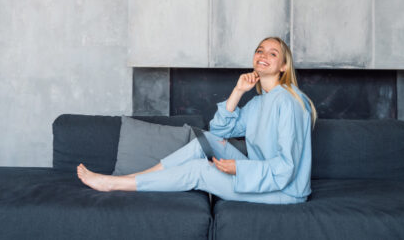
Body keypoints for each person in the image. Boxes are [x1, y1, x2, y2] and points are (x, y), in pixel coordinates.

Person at [77, 37, 317, 204]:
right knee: (207, 141)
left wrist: (240, 168)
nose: (263, 55)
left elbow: (287, 166)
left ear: (284, 66)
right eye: (259, 50)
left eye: (272, 53)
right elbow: (219, 130)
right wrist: (238, 91)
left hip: (285, 191)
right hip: (261, 176)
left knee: (199, 171)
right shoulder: (258, 102)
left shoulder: (289, 102)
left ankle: (115, 184)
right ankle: (135, 178)